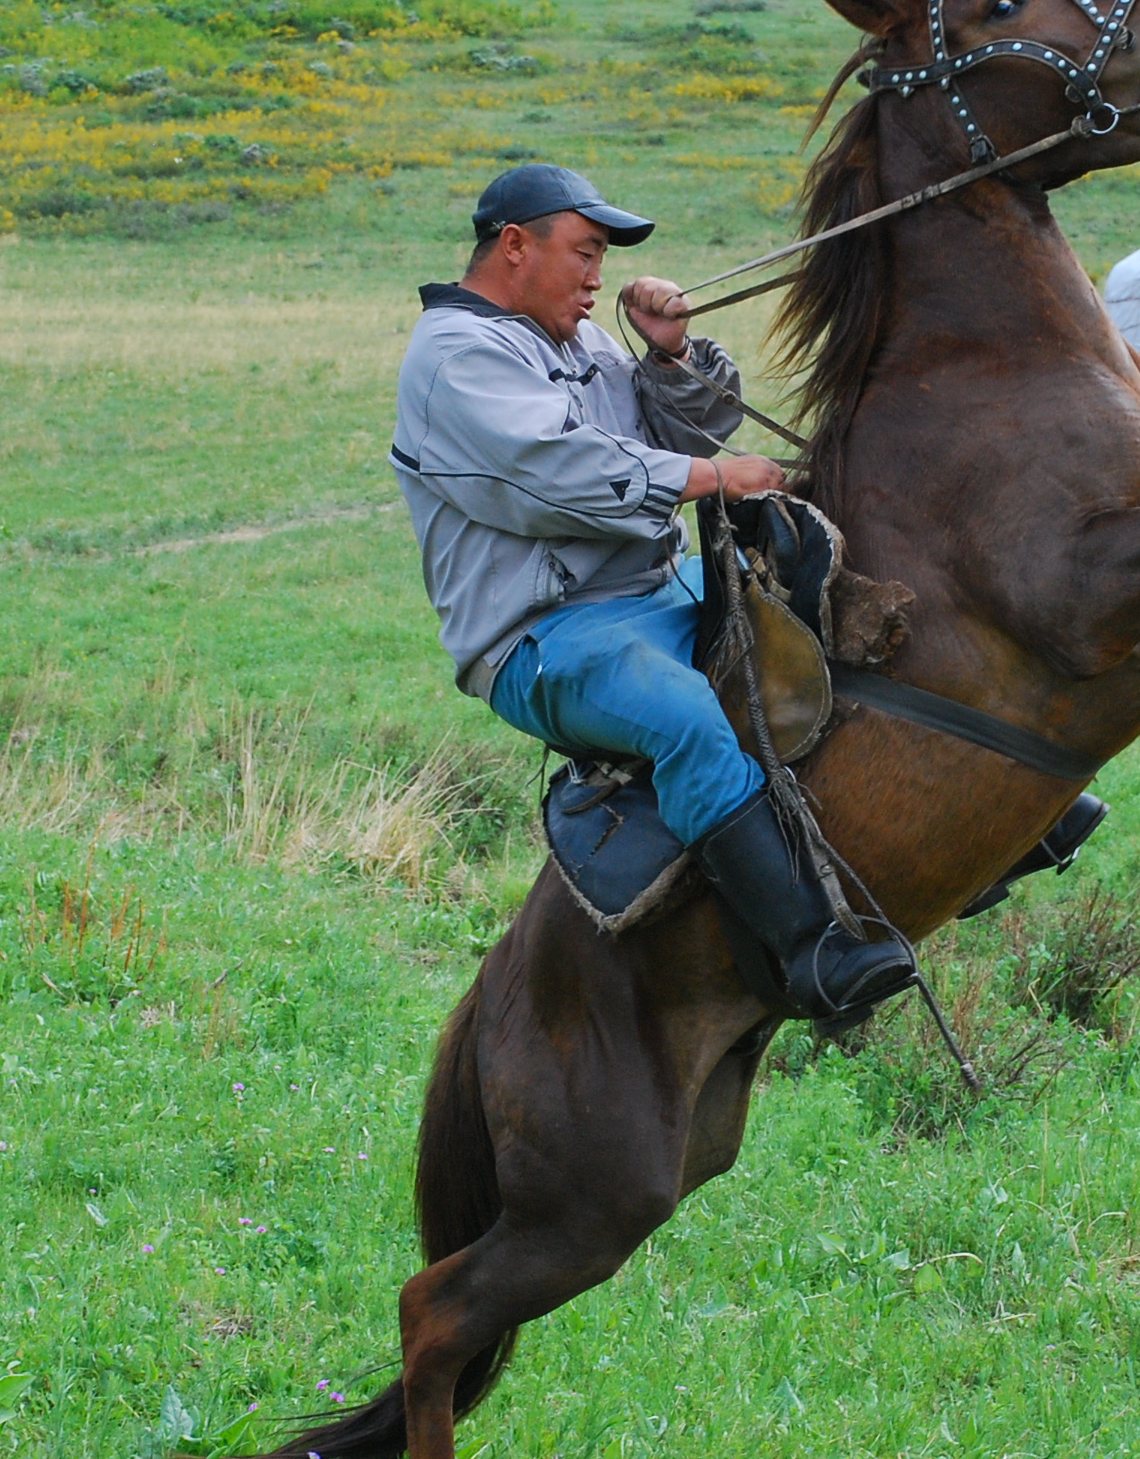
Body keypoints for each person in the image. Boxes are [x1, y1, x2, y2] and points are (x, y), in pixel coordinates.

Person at [391, 163, 914, 1021]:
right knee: (683, 716)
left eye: (603, 260)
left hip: (657, 596)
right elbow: (556, 473)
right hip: (546, 638)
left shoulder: (585, 337)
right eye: (585, 254)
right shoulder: (457, 357)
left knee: (826, 615)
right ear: (515, 247)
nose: (598, 277)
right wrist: (711, 475)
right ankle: (812, 954)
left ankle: (979, 832)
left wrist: (670, 351)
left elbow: (683, 428)